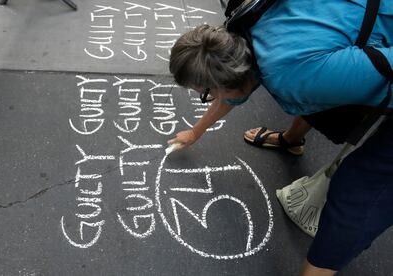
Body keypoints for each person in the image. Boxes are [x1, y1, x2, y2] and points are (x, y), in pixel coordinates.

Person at [168, 0, 393, 275]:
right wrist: (196, 131)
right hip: (348, 42)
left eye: (206, 93)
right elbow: (234, 91)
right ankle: (291, 140)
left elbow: (308, 79)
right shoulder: (247, 31)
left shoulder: (297, 77)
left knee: (359, 186)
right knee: (311, 93)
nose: (210, 99)